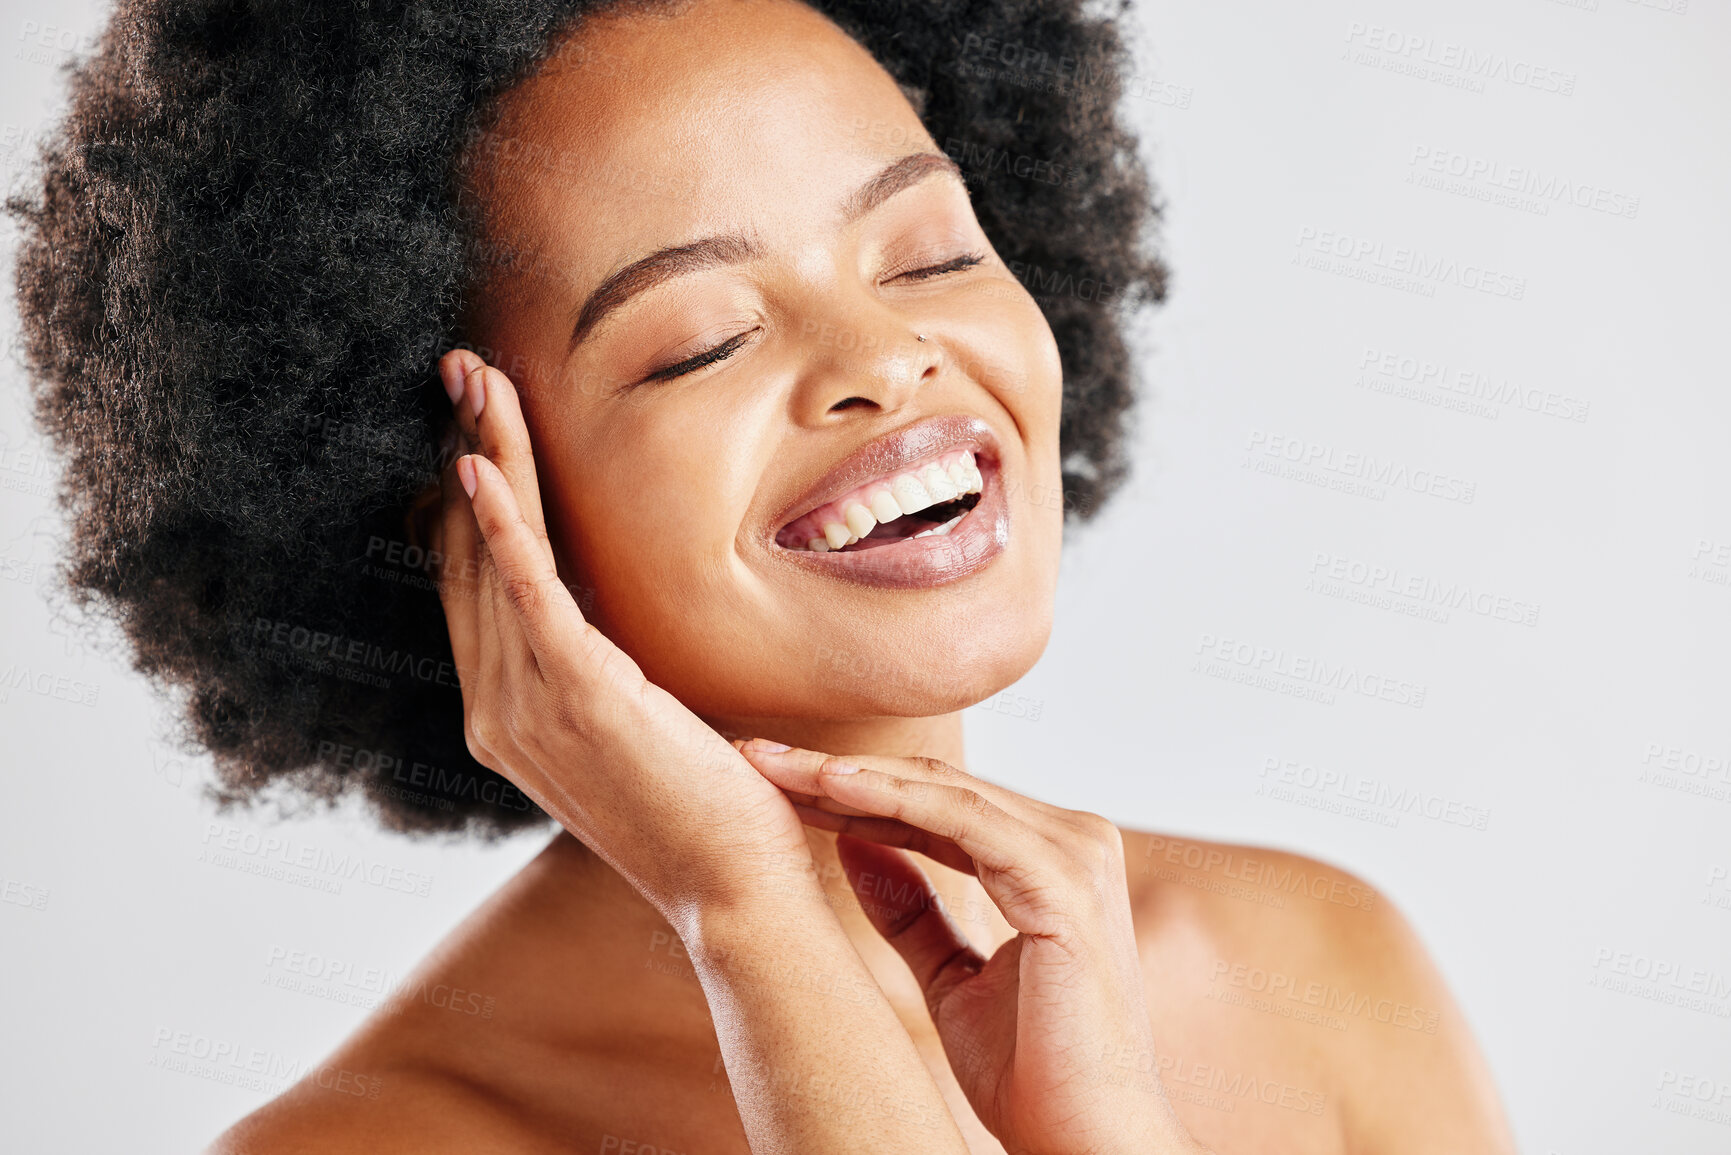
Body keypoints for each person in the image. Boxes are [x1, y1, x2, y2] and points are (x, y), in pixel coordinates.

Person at [10, 0, 1517, 1150]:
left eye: (926, 255)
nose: (883, 359)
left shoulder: (1313, 970)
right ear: (469, 523)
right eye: (703, 342)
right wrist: (755, 926)